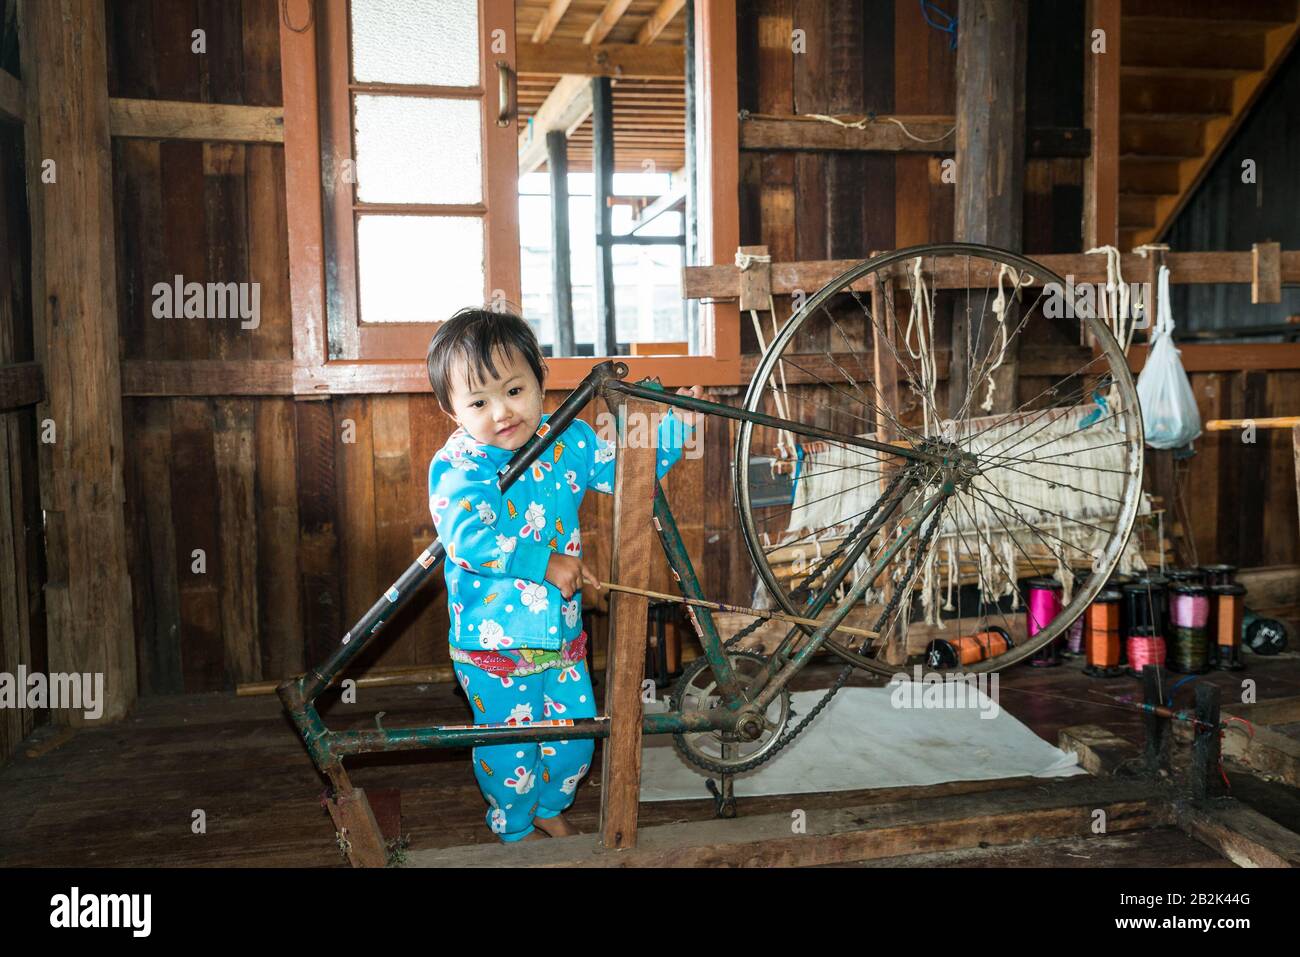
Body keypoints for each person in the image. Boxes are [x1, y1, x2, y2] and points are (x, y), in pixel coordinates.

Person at [425, 307, 699, 842]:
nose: (502, 412)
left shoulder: (566, 440)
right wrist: (543, 562)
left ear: (540, 381)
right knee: (510, 749)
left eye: (514, 390)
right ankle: (513, 827)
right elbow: (468, 538)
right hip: (494, 645)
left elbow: (627, 474)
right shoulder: (460, 465)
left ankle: (550, 805)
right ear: (451, 409)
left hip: (563, 635)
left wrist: (672, 424)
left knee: (574, 741)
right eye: (479, 402)